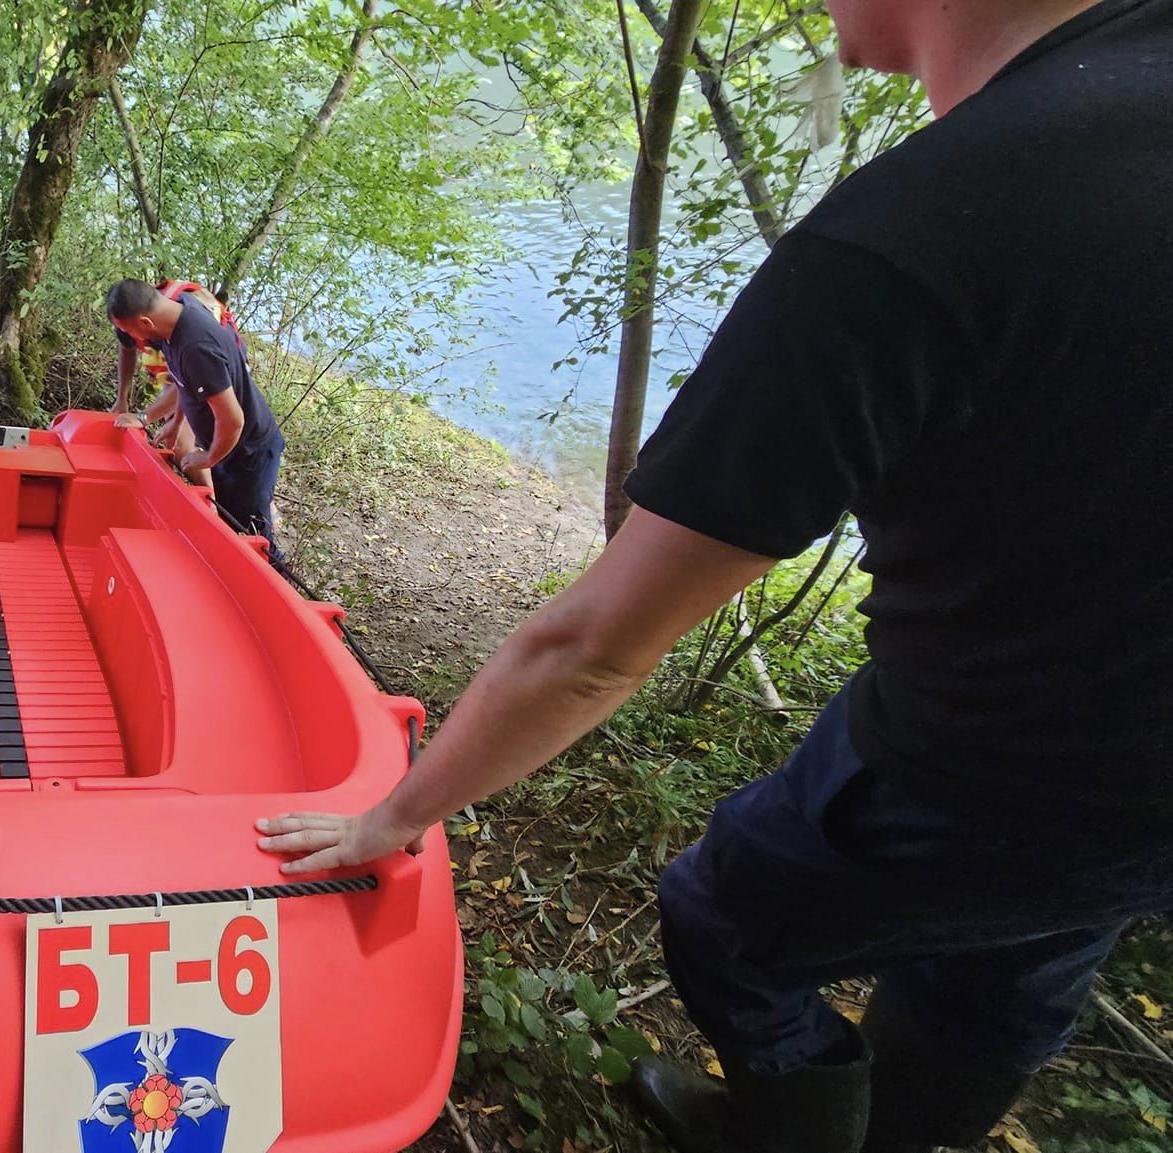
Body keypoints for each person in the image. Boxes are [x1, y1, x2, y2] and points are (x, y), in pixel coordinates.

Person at [255, 2, 1173, 1152]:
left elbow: (591, 647)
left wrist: (395, 813)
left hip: (983, 762)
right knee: (1012, 950)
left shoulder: (911, 233)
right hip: (1127, 788)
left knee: (719, 918)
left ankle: (790, 1133)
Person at [106, 279, 286, 549]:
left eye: (130, 331)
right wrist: (176, 423)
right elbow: (183, 383)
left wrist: (208, 457)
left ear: (145, 323)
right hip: (226, 446)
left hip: (248, 453)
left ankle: (278, 581)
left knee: (253, 538)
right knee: (228, 524)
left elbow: (233, 419)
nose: (133, 339)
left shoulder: (196, 347)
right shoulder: (174, 318)